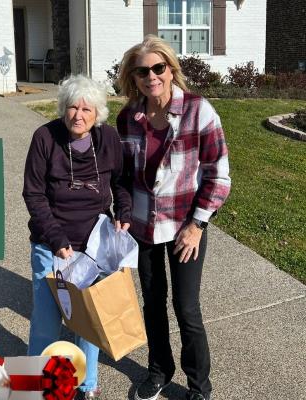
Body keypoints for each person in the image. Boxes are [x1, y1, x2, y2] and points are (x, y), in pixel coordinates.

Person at [116, 35, 231, 400]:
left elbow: (219, 175)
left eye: (158, 68)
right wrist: (121, 215)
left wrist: (197, 226)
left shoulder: (199, 111)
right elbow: (121, 177)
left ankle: (199, 386)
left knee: (186, 308)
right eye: (142, 71)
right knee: (152, 304)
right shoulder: (127, 119)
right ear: (133, 77)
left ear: (171, 70)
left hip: (186, 227)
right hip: (144, 227)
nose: (151, 76)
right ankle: (159, 370)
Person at [22, 74, 132, 399]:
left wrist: (123, 213)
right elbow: (33, 194)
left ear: (97, 113)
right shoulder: (45, 138)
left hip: (95, 245)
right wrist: (56, 238)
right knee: (46, 320)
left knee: (89, 321)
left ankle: (87, 383)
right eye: (72, 107)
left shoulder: (108, 139)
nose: (78, 115)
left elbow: (121, 183)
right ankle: (37, 382)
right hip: (52, 245)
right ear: (62, 108)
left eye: (86, 109)